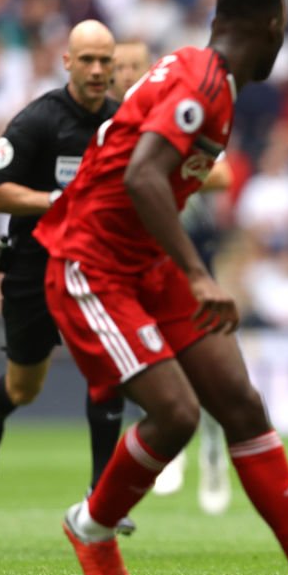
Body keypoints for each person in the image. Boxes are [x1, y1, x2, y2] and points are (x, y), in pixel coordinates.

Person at [34, 0, 288, 575]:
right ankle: (91, 526)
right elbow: (144, 177)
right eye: (282, 26)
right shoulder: (202, 85)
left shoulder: (211, 80)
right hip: (93, 263)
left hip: (145, 262)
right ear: (270, 26)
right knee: (175, 415)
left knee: (239, 401)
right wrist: (199, 274)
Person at [0, 20, 135, 532]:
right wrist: (57, 200)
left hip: (95, 266)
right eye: (88, 60)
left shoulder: (123, 121)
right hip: (34, 266)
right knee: (25, 386)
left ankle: (102, 498)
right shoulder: (38, 120)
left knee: (109, 371)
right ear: (68, 63)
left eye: (105, 61)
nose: (98, 70)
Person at [110, 38, 233, 514]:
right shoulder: (111, 123)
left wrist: (161, 174)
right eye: (119, 66)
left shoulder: (178, 114)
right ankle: (171, 446)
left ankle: (213, 450)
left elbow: (223, 175)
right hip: (140, 261)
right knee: (149, 354)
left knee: (211, 365)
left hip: (191, 257)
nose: (126, 74)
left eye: (134, 66)